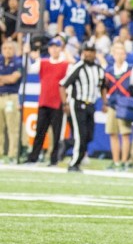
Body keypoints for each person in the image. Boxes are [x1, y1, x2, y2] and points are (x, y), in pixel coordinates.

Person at [59, 43, 106, 172]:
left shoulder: (98, 69)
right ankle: (74, 163)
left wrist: (105, 102)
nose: (89, 54)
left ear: (95, 53)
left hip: (91, 104)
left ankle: (68, 144)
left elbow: (102, 86)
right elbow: (62, 85)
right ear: (83, 52)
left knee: (89, 136)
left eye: (91, 51)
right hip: (78, 103)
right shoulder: (78, 67)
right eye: (87, 51)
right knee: (81, 134)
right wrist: (65, 103)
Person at [26, 38, 72, 166]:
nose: (54, 49)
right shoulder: (43, 62)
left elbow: (72, 69)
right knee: (40, 132)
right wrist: (30, 56)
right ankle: (33, 157)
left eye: (56, 47)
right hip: (44, 102)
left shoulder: (65, 65)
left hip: (57, 103)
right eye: (52, 47)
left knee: (57, 134)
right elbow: (31, 68)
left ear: (60, 49)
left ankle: (53, 159)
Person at [104, 43, 133, 171]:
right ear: (113, 55)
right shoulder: (109, 70)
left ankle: (124, 161)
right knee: (113, 133)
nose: (119, 55)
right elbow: (105, 87)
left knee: (125, 134)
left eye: (122, 52)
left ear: (125, 55)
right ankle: (116, 161)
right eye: (117, 53)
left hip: (125, 105)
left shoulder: (131, 69)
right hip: (113, 104)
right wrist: (105, 102)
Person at [0, 42, 22, 163]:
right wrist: (7, 79)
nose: (7, 50)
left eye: (9, 48)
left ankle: (12, 154)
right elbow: (10, 78)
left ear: (14, 50)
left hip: (11, 97)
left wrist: (4, 79)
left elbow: (14, 78)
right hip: (0, 96)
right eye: (4, 48)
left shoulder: (18, 62)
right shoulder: (0, 60)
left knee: (12, 127)